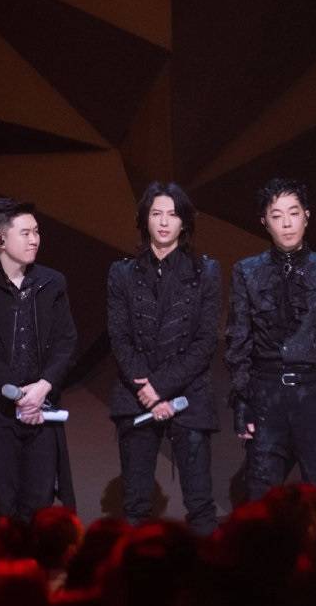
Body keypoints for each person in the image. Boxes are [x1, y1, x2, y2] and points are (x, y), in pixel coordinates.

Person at [224, 177, 316, 500]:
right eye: (277, 215)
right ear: (264, 222)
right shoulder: (246, 271)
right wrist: (242, 402)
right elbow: (238, 340)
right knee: (261, 496)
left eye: (294, 213)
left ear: (306, 216)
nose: (287, 223)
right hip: (266, 395)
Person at [107, 182, 220, 535]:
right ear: (145, 219)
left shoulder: (206, 271)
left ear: (184, 221)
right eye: (157, 213)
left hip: (188, 393)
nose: (164, 221)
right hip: (136, 394)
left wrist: (161, 387)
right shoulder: (122, 273)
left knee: (201, 504)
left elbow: (205, 341)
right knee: (136, 505)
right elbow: (120, 338)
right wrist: (149, 391)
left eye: (173, 214)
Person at [0, 198, 77, 518]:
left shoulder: (52, 282)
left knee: (39, 502)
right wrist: (18, 395)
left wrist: (42, 387)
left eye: (36, 231)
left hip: (41, 406)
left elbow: (66, 341)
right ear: (0, 239)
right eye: (25, 233)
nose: (34, 239)